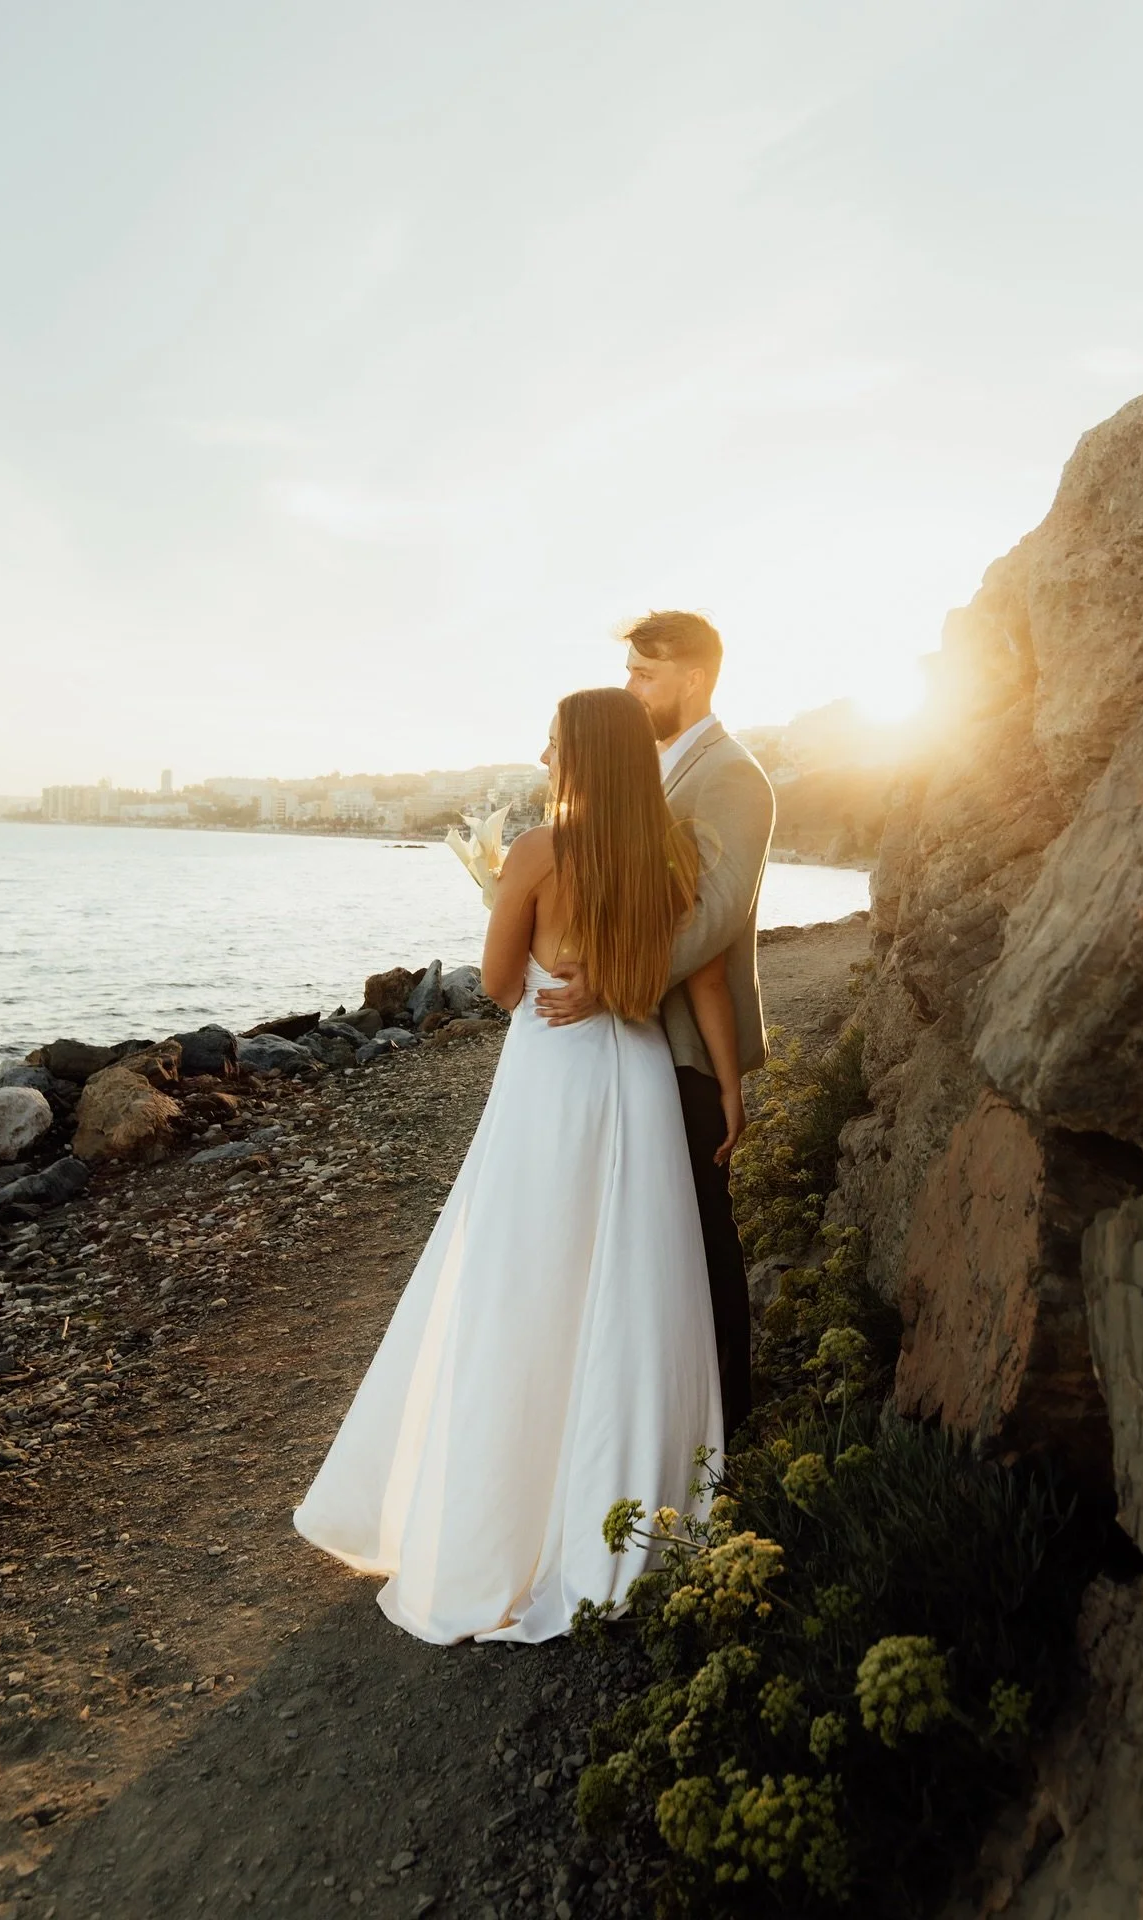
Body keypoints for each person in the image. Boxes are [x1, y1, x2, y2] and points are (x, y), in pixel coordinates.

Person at [293, 687, 737, 1645]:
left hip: (554, 1086)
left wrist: (526, 934)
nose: (542, 751)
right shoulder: (672, 855)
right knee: (632, 1284)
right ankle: (636, 1511)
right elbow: (692, 968)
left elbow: (499, 986)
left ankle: (505, 1525)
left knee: (526, 1284)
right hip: (643, 1084)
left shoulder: (542, 852)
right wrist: (732, 1085)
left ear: (582, 754)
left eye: (553, 739)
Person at [536, 612, 775, 1440]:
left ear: (694, 679)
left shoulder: (734, 776)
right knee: (646, 1239)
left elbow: (712, 919)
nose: (633, 690)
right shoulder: (657, 770)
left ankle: (728, 1428)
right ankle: (651, 1420)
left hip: (682, 1052)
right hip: (638, 1047)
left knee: (703, 1238)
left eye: (645, 675)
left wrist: (607, 980)